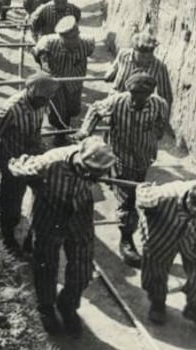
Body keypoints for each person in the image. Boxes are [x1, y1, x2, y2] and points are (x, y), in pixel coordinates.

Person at [8, 137, 116, 336]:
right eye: (93, 175)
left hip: (80, 212)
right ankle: (46, 307)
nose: (96, 180)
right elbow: (16, 167)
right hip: (50, 212)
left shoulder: (96, 161)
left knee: (83, 268)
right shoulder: (50, 162)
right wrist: (30, 179)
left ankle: (68, 305)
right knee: (46, 264)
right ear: (82, 166)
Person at [78, 72, 169, 267]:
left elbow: (161, 124)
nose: (139, 99)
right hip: (121, 157)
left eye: (143, 95)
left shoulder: (158, 104)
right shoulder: (117, 102)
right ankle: (126, 239)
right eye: (135, 95)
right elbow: (95, 109)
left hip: (144, 157)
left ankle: (120, 194)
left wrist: (153, 137)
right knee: (128, 200)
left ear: (150, 94)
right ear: (129, 91)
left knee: (134, 189)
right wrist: (86, 131)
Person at [0, 72, 59, 251]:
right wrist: (3, 155)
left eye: (48, 99)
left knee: (44, 195)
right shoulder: (11, 109)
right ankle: (8, 238)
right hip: (14, 161)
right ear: (32, 92)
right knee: (12, 202)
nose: (46, 102)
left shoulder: (41, 103)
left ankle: (31, 237)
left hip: (34, 156)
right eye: (43, 99)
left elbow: (37, 129)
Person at [136, 179, 196, 335]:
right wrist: (148, 211)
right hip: (162, 232)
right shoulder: (161, 196)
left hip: (193, 230)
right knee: (156, 267)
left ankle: (193, 308)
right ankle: (157, 301)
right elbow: (141, 192)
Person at [34, 16, 95, 139]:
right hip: (57, 81)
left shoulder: (87, 43)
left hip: (75, 81)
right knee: (58, 110)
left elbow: (89, 51)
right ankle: (60, 134)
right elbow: (38, 53)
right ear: (62, 38)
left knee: (73, 109)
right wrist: (45, 66)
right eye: (70, 39)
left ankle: (63, 125)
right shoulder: (49, 42)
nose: (75, 41)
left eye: (76, 36)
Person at [105, 29, 173, 113]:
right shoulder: (123, 55)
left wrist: (164, 119)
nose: (146, 60)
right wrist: (110, 74)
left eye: (150, 56)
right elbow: (112, 71)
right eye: (143, 57)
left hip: (141, 108)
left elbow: (166, 98)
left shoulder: (159, 67)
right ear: (134, 50)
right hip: (117, 103)